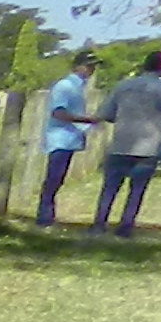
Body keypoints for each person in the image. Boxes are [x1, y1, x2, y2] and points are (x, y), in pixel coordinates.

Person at [94, 48, 161, 234]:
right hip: (149, 146)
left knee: (110, 188)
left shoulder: (122, 86)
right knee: (136, 190)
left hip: (121, 143)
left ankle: (99, 223)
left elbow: (106, 113)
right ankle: (125, 226)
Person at [38, 61, 101, 226]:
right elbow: (59, 112)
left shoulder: (78, 87)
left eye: (93, 67)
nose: (91, 70)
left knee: (58, 178)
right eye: (88, 66)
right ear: (77, 66)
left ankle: (47, 216)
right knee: (53, 178)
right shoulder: (65, 86)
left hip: (70, 139)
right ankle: (44, 217)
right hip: (60, 138)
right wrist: (88, 119)